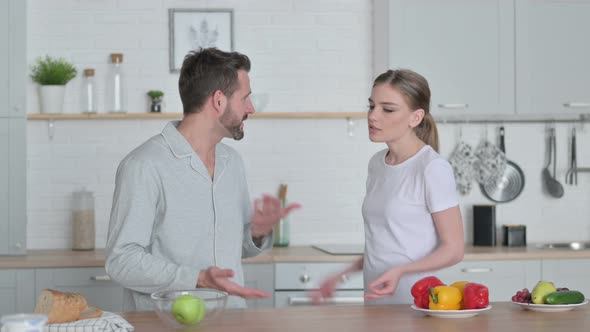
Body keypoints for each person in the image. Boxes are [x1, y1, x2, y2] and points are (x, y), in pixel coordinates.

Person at [105, 47, 300, 310]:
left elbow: (231, 249)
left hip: (230, 320)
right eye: (245, 98)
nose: (251, 108)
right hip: (166, 324)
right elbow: (122, 261)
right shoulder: (143, 166)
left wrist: (256, 233)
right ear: (219, 101)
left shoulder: (232, 163)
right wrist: (197, 279)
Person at [313, 69, 464, 305]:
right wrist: (342, 275)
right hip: (375, 299)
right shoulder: (377, 164)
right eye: (371, 106)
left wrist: (401, 271)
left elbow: (454, 249)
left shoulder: (432, 168)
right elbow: (384, 244)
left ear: (415, 117)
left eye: (388, 109)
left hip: (414, 302)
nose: (373, 116)